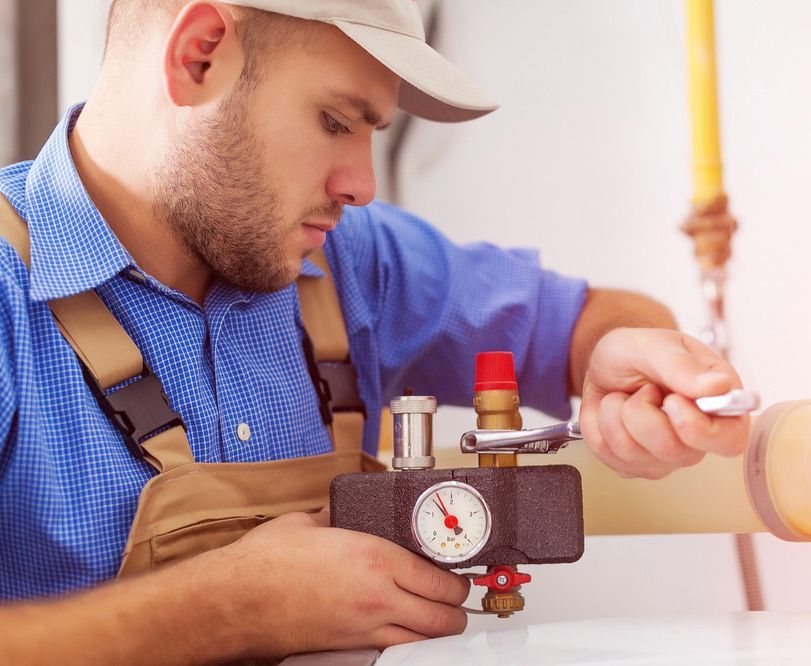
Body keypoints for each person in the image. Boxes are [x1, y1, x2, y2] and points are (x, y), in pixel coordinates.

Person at [0, 0, 748, 661]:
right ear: (198, 55)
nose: (363, 184)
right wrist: (232, 610)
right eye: (334, 121)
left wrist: (621, 355)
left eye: (373, 133)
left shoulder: (353, 263)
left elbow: (596, 322)